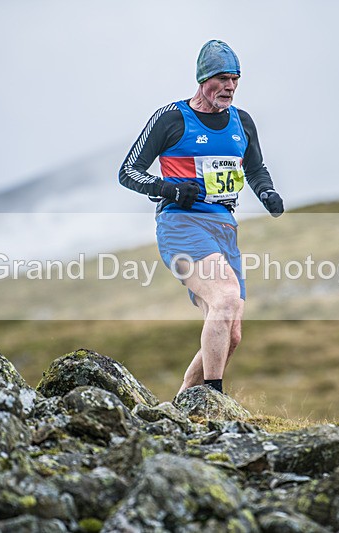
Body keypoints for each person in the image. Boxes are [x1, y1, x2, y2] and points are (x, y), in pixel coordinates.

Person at [118, 40, 284, 396]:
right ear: (203, 79)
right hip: (181, 225)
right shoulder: (173, 118)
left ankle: (184, 404)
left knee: (231, 332)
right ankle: (215, 399)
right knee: (224, 299)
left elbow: (255, 169)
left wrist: (267, 192)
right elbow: (128, 171)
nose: (230, 87)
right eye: (222, 78)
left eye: (236, 79)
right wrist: (170, 190)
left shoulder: (243, 122)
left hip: (224, 229)